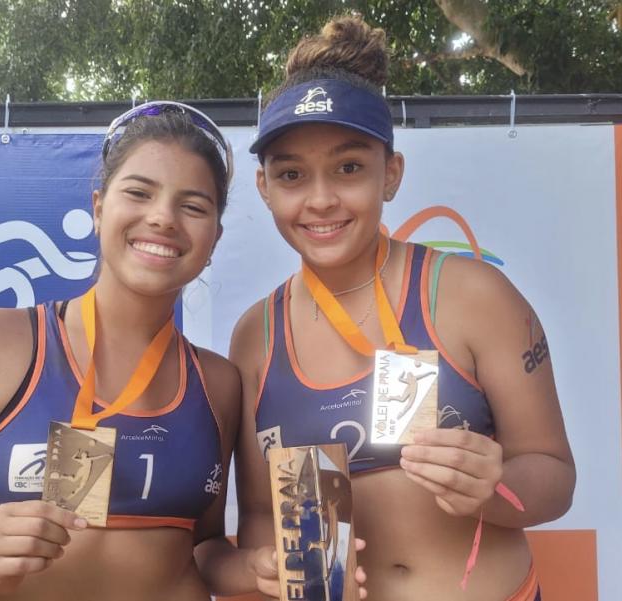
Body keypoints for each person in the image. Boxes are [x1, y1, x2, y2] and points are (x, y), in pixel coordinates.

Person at [231, 15, 575, 601]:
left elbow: (554, 475)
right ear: (265, 188)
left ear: (391, 174)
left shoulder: (473, 295)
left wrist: (494, 490)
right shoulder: (254, 337)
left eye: (349, 168)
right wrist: (280, 572)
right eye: (292, 174)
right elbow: (262, 515)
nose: (320, 199)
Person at [0, 101, 255, 601]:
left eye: (193, 206)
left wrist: (258, 570)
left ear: (215, 237)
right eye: (139, 192)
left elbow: (203, 546)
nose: (163, 218)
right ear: (98, 208)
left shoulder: (219, 382)